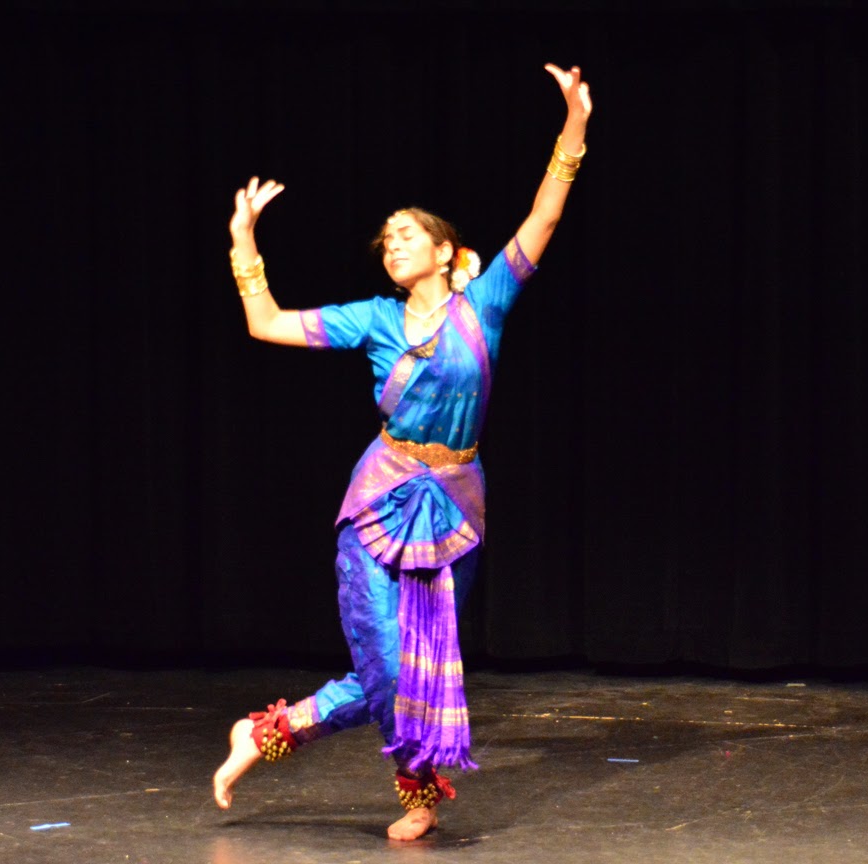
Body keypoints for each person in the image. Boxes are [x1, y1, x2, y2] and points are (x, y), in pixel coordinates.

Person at [212, 63, 592, 842]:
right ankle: (414, 787)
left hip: (453, 503)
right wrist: (243, 242)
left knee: (415, 667)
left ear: (448, 252)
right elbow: (266, 323)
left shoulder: (485, 304)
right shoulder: (375, 319)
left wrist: (574, 125)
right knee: (386, 663)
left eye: (408, 234)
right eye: (387, 239)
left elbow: (545, 217)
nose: (394, 245)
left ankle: (267, 734)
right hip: (380, 497)